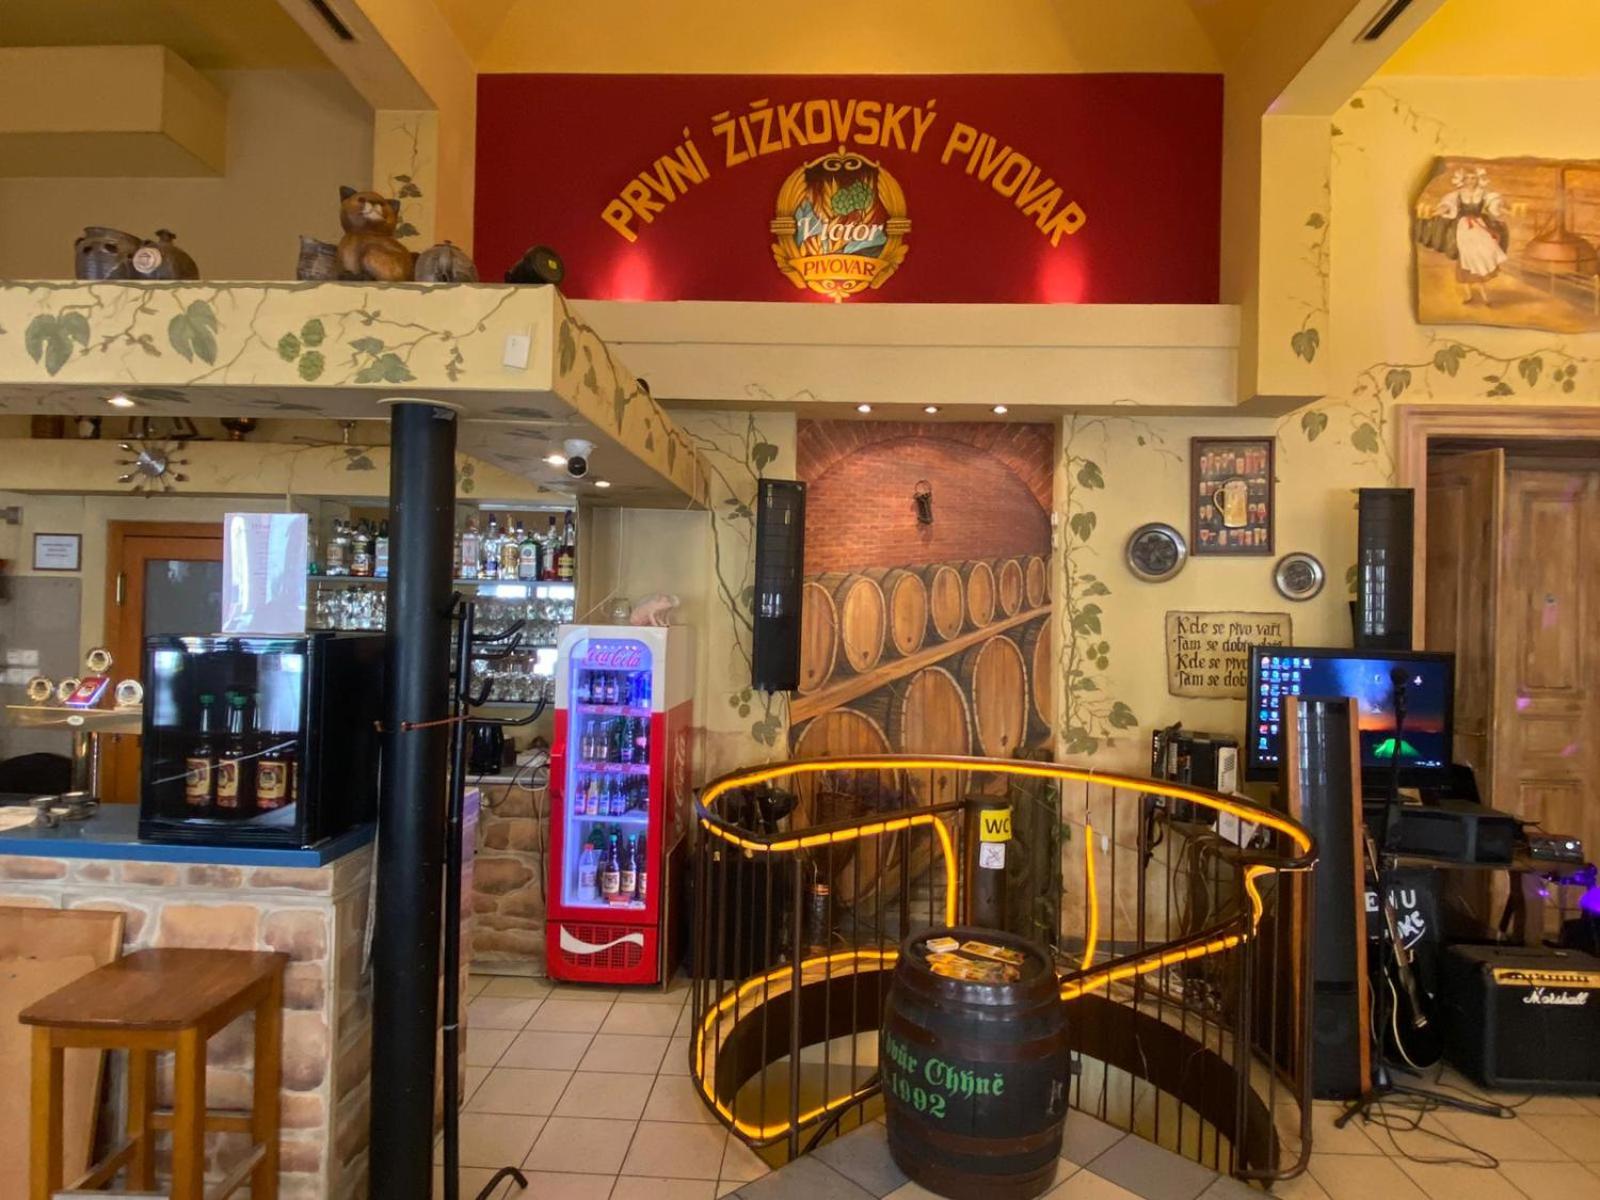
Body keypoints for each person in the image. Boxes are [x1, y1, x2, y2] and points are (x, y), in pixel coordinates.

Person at [1422, 166, 1510, 306]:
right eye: (1467, 178)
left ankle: (1485, 296)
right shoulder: (1457, 194)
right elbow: (1447, 206)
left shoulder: (1483, 194)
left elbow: (1494, 206)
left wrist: (1505, 210)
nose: (1470, 181)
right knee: (1467, 257)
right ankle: (1469, 295)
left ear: (1478, 179)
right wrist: (1434, 212)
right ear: (1463, 179)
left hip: (1479, 225)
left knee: (1483, 253)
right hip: (1464, 227)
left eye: (1473, 178)